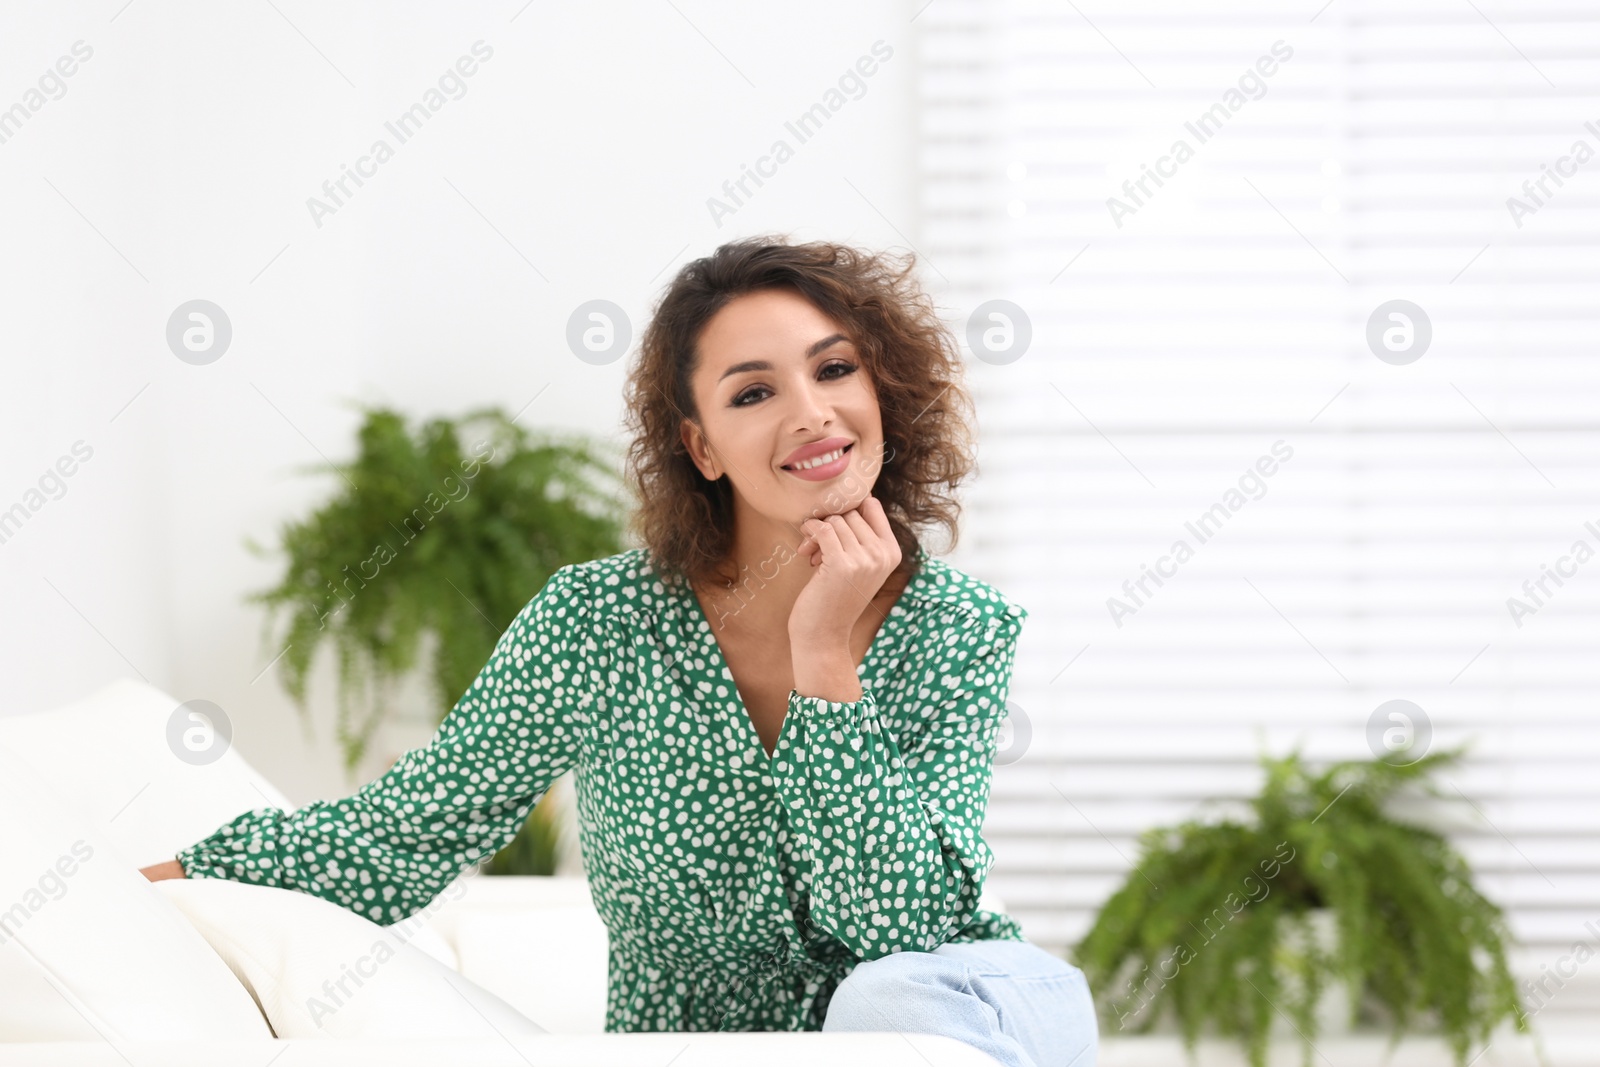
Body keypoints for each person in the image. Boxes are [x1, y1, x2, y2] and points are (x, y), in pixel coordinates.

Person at [141, 236, 1098, 1067]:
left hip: (965, 1006)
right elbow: (406, 833)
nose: (811, 412)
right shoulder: (600, 622)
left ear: (882, 393)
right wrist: (145, 884)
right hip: (691, 1045)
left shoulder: (958, 626)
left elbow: (902, 929)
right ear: (703, 446)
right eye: (755, 390)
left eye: (836, 369)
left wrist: (825, 659)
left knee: (884, 1008)